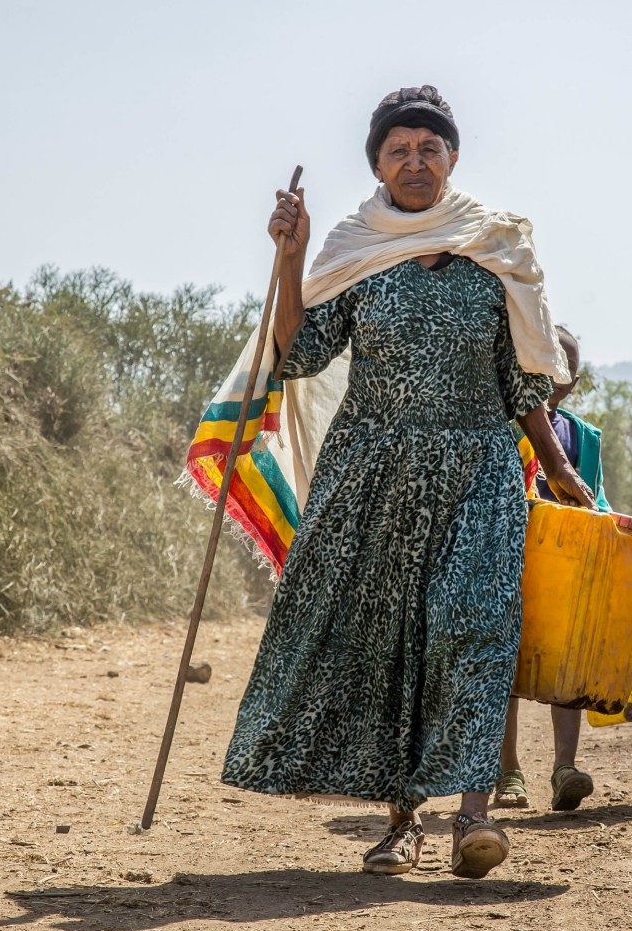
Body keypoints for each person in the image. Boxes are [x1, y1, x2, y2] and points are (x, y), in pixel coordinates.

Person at [211, 86, 596, 880]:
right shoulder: (356, 250)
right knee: (391, 641)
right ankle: (400, 825)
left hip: (478, 466)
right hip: (373, 469)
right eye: (399, 150)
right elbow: (301, 353)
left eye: (430, 147)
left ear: (453, 158)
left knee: (472, 624)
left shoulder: (495, 249)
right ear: (378, 165)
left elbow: (521, 378)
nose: (415, 162)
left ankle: (475, 818)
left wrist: (557, 467)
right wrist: (290, 254)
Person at [494, 325, 608, 814]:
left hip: (561, 571)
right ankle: (507, 773)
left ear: (573, 383)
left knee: (570, 662)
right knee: (504, 666)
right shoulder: (500, 421)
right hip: (504, 560)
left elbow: (594, 500)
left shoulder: (580, 436)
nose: (553, 379)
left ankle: (565, 768)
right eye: (546, 365)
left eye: (565, 373)